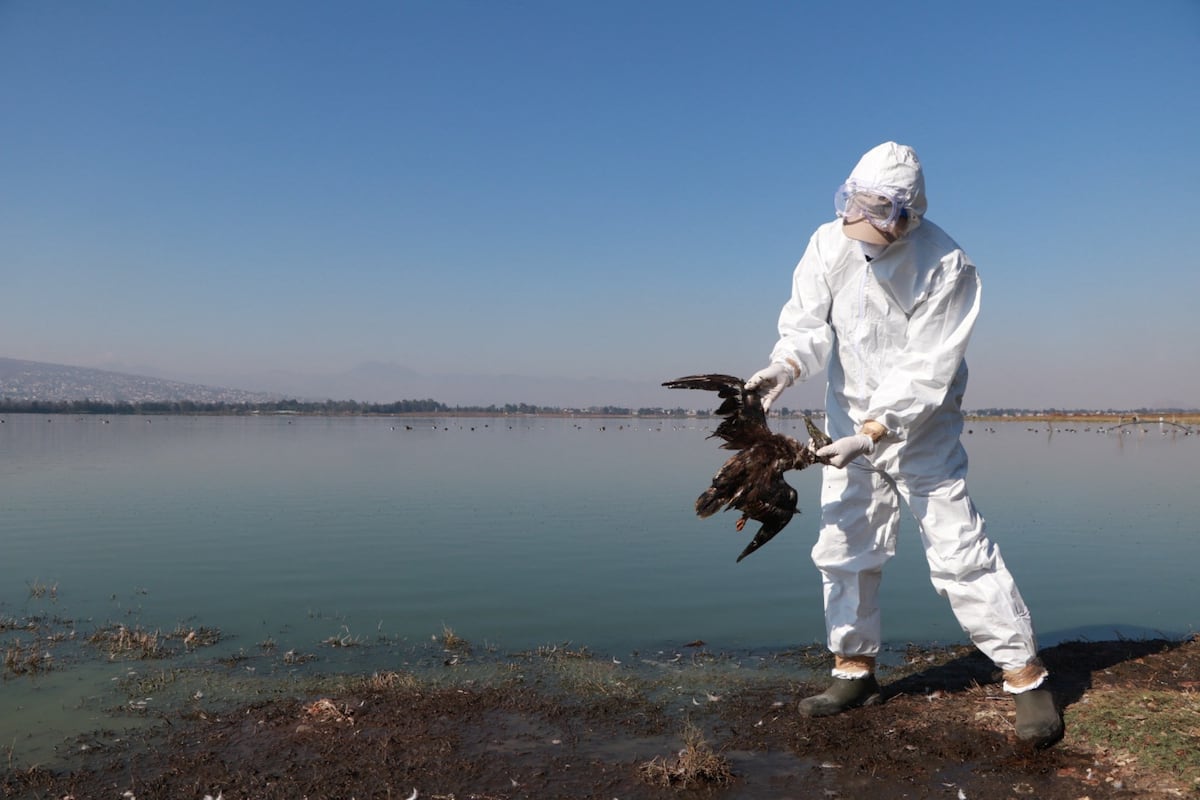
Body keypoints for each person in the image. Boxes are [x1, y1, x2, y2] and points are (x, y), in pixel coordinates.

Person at [745, 142, 1063, 748]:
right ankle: (853, 670)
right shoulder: (827, 242)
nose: (858, 223)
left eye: (875, 213)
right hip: (846, 424)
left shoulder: (948, 265)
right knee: (843, 546)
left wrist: (875, 432)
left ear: (907, 215)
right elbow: (808, 324)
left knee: (959, 550)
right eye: (853, 206)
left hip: (921, 431)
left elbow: (927, 367)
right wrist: (782, 367)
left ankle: (1026, 678)